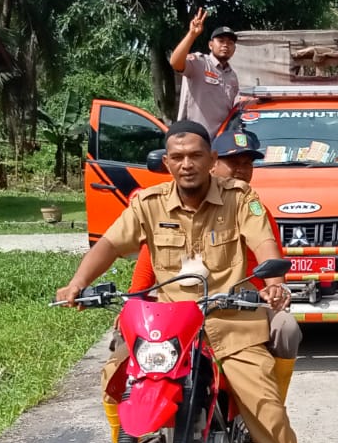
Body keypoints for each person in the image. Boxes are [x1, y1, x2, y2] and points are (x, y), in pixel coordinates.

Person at [56, 121, 316, 443]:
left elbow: (263, 240)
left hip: (231, 325)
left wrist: (273, 283)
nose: (186, 164)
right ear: (167, 161)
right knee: (116, 382)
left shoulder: (240, 199)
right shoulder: (147, 203)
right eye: (176, 157)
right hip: (170, 327)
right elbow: (111, 245)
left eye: (195, 155)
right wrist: (78, 282)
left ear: (211, 160)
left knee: (271, 419)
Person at [124, 128, 301, 395]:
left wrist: (275, 288)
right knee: (121, 352)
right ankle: (123, 435)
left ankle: (271, 403)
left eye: (247, 163)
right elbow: (151, 258)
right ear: (212, 163)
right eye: (233, 162)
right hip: (178, 310)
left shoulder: (252, 207)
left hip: (242, 307)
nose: (241, 170)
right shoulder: (173, 204)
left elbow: (269, 252)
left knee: (286, 328)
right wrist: (133, 302)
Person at [169, 7, 239, 136]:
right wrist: (192, 34)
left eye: (230, 43)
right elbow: (175, 63)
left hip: (220, 141)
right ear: (210, 45)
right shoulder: (199, 63)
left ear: (234, 48)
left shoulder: (232, 76)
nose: (225, 45)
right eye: (221, 41)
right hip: (194, 138)